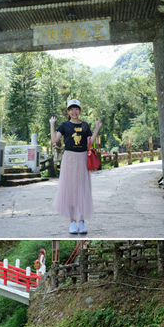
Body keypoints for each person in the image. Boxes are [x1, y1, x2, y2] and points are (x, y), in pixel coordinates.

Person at [49, 99, 102, 234]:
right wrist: (52, 124)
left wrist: (97, 128)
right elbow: (55, 139)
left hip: (82, 157)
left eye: (76, 109)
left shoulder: (85, 125)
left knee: (83, 188)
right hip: (69, 158)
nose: (74, 112)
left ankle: (82, 222)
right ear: (68, 111)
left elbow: (90, 142)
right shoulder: (65, 125)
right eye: (71, 109)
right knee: (71, 189)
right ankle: (73, 222)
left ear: (80, 110)